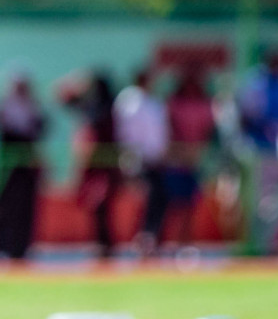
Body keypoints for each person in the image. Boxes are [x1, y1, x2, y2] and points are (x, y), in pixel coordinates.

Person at [0, 74, 46, 259]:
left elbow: (38, 132)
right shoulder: (2, 106)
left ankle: (20, 247)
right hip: (6, 166)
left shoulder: (33, 106)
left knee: (25, 208)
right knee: (3, 206)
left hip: (25, 167)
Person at [59, 70, 122, 258]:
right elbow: (63, 98)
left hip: (106, 163)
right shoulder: (92, 105)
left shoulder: (108, 107)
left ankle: (106, 243)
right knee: (94, 204)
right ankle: (101, 242)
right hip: (93, 165)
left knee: (102, 202)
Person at [238, 48, 278, 251]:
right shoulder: (256, 83)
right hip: (257, 150)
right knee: (255, 201)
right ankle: (253, 245)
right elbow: (245, 117)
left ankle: (266, 243)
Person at [115, 68, 169, 252]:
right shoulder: (131, 101)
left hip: (155, 160)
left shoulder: (153, 101)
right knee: (143, 198)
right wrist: (136, 157)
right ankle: (141, 238)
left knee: (158, 198)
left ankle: (149, 237)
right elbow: (127, 134)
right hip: (138, 160)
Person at [164, 66, 217, 245]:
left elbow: (208, 132)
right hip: (176, 162)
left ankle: (186, 243)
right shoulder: (174, 103)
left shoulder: (205, 104)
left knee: (191, 205)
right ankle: (172, 242)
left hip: (195, 162)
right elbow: (169, 130)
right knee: (175, 205)